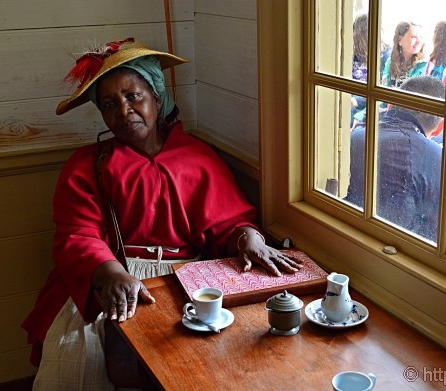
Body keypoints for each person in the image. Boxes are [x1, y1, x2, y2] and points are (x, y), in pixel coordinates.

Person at [22, 38, 303, 389]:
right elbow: (76, 235)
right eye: (110, 104)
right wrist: (109, 271)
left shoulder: (199, 158)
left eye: (133, 96)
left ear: (156, 97)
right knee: (83, 361)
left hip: (187, 278)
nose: (123, 111)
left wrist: (249, 239)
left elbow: (228, 223)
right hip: (111, 275)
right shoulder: (86, 166)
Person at [344, 76, 446, 242]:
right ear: (439, 128)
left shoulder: (355, 137)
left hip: (345, 240)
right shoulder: (437, 156)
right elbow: (441, 235)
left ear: (390, 106)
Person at [351, 13, 391, 129]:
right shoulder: (354, 55)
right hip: (351, 100)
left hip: (370, 103)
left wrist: (356, 100)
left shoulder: (386, 56)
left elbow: (381, 89)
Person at [381, 21, 427, 88]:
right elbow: (384, 86)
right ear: (400, 39)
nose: (419, 41)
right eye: (414, 37)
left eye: (421, 37)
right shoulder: (391, 61)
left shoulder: (423, 65)